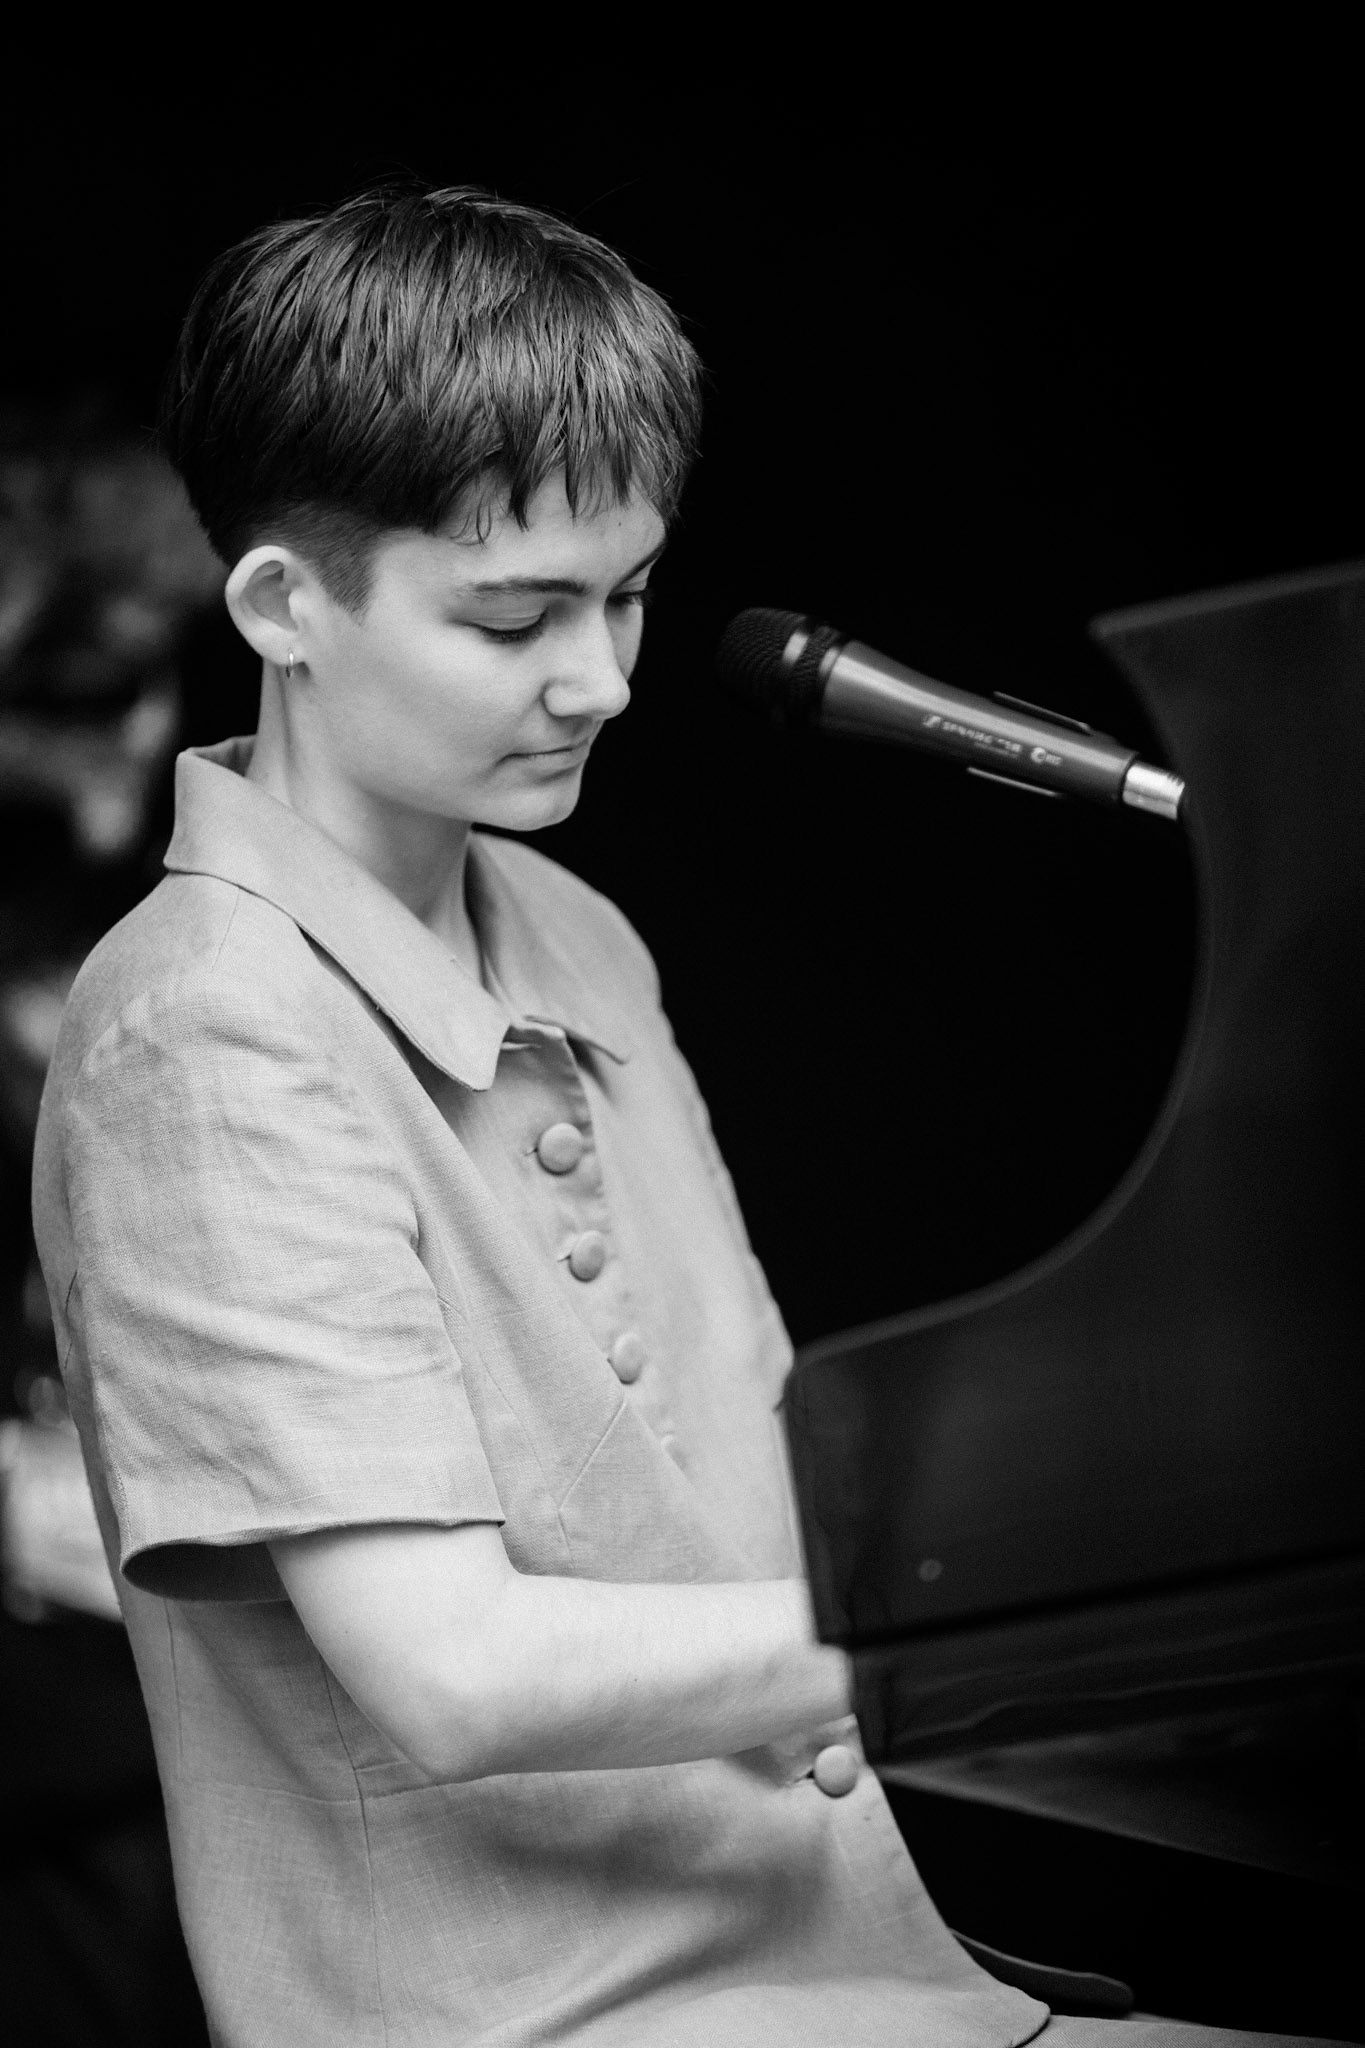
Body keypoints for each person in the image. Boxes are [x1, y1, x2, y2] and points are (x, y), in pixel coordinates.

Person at [30, 187, 1341, 2048]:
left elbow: (771, 1473)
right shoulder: (199, 1029)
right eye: (512, 617)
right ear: (282, 606)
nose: (606, 680)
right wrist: (1015, 1645)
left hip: (860, 1973)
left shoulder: (572, 929)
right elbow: (454, 1673)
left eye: (629, 592)